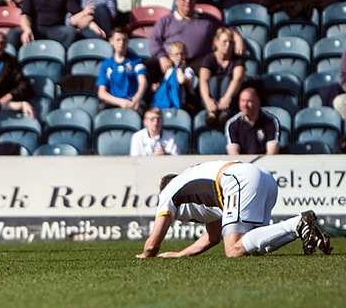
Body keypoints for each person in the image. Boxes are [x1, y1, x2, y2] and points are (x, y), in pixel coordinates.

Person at [136, 160, 332, 258]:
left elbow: (153, 244)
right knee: (254, 247)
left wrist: (146, 254)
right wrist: (180, 255)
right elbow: (213, 236)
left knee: (233, 249)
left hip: (238, 179)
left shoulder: (167, 192)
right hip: (262, 176)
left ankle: (297, 222)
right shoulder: (194, 188)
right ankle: (301, 228)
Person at [148, 0, 244, 87]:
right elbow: (154, 39)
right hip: (171, 59)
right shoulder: (166, 21)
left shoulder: (207, 20)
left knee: (214, 69)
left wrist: (237, 36)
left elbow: (226, 28)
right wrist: (161, 56)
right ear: (176, 1)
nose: (187, 1)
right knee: (144, 67)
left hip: (199, 61)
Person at [199, 27, 245, 127]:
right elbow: (203, 80)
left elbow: (238, 78)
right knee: (214, 80)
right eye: (224, 41)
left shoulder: (237, 59)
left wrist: (227, 97)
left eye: (230, 42)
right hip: (212, 94)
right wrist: (207, 100)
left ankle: (225, 113)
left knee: (227, 79)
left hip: (230, 98)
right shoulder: (209, 58)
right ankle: (212, 113)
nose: (227, 45)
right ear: (216, 41)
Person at [96, 27, 149, 112]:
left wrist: (137, 97)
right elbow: (101, 93)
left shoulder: (136, 61)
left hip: (132, 101)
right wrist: (120, 102)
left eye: (124, 40)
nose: (121, 43)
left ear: (128, 42)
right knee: (101, 110)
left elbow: (143, 82)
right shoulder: (106, 64)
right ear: (111, 41)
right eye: (118, 40)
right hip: (114, 101)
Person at [225, 86, 280, 155]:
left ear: (258, 102)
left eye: (249, 101)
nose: (245, 105)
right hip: (242, 164)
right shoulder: (233, 124)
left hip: (264, 163)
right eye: (243, 101)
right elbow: (233, 154)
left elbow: (272, 153)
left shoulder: (271, 122)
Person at [149, 41, 195, 112]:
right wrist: (155, 87)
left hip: (182, 103)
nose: (179, 57)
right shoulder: (169, 70)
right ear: (170, 57)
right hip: (167, 100)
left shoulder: (188, 70)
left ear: (186, 55)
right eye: (176, 54)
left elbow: (181, 80)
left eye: (182, 54)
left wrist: (180, 67)